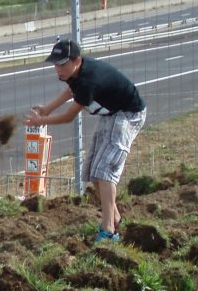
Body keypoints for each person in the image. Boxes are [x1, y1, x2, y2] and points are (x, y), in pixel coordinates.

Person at [24, 38, 146, 243]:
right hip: (110, 114)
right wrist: (47, 108)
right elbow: (72, 90)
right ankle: (115, 217)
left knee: (105, 171)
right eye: (55, 64)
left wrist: (41, 120)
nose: (58, 69)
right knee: (92, 171)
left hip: (127, 114)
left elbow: (68, 117)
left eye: (62, 64)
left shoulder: (90, 79)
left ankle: (108, 230)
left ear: (76, 60)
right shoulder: (75, 74)